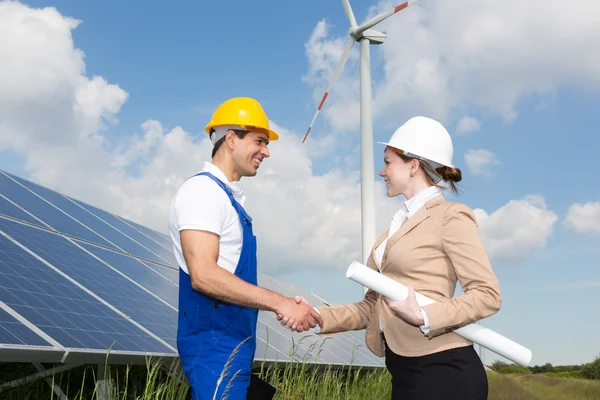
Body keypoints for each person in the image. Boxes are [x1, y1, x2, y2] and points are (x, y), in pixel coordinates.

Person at [284, 116, 502, 399]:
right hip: (403, 370)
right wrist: (317, 316)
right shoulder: (395, 227)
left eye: (387, 162)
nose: (381, 171)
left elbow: (488, 295)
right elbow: (371, 308)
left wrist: (425, 314)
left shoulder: (451, 217)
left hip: (444, 369)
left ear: (413, 165)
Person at [168, 97, 323, 400]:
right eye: (259, 141)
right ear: (230, 139)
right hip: (214, 348)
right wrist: (280, 303)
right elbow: (204, 276)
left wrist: (286, 302)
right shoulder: (202, 193)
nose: (266, 151)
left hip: (231, 348)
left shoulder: (227, 198)